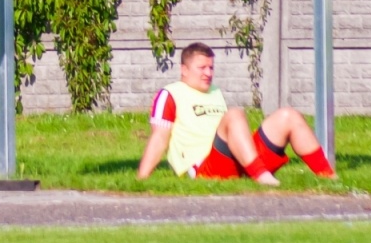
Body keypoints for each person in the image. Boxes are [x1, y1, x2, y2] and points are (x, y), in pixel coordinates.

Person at [138, 42, 336, 184]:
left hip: (238, 161)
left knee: (288, 116)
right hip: (204, 168)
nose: (208, 73)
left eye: (211, 67)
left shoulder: (215, 92)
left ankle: (329, 178)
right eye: (202, 68)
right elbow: (159, 138)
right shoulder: (171, 93)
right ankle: (262, 177)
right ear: (184, 69)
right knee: (235, 115)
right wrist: (141, 179)